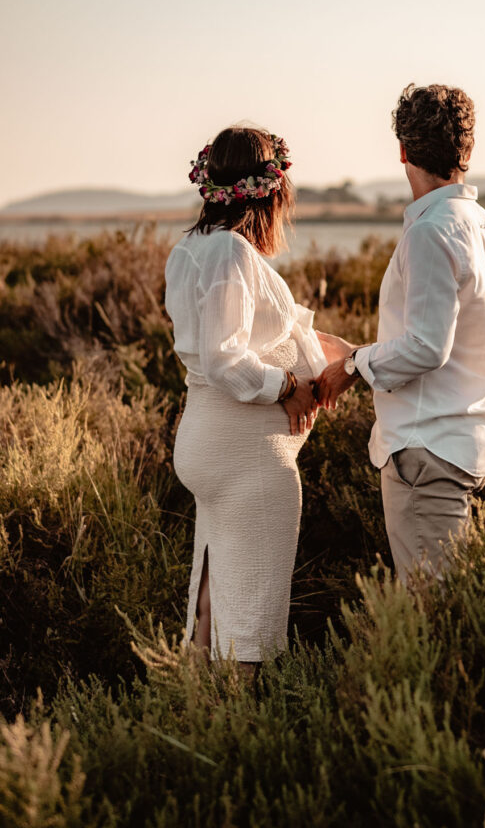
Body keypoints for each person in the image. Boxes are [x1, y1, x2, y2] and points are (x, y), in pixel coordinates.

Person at [316, 84, 485, 581]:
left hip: (427, 447)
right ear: (466, 151)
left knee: (430, 611)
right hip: (464, 443)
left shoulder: (432, 230)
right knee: (449, 607)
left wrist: (354, 366)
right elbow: (471, 331)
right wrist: (365, 353)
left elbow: (429, 347)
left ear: (403, 151)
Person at [165, 126, 351, 673]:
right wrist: (288, 387)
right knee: (251, 608)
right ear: (272, 190)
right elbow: (225, 357)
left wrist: (349, 355)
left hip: (210, 439)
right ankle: (237, 717)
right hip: (244, 454)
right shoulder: (230, 252)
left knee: (214, 588)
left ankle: (196, 708)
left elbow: (264, 334)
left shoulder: (191, 248)